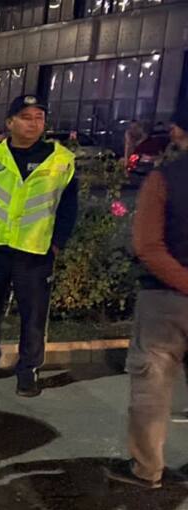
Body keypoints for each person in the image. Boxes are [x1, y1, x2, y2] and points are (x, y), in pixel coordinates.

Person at [0, 95, 78, 397]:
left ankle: (28, 372)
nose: (34, 122)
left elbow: (68, 208)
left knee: (34, 315)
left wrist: (56, 245)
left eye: (39, 117)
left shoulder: (61, 159)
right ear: (9, 122)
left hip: (35, 250)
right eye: (26, 117)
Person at [106, 106, 188, 489]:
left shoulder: (165, 179)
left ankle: (147, 469)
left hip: (166, 300)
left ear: (177, 132)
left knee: (152, 386)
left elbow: (148, 245)